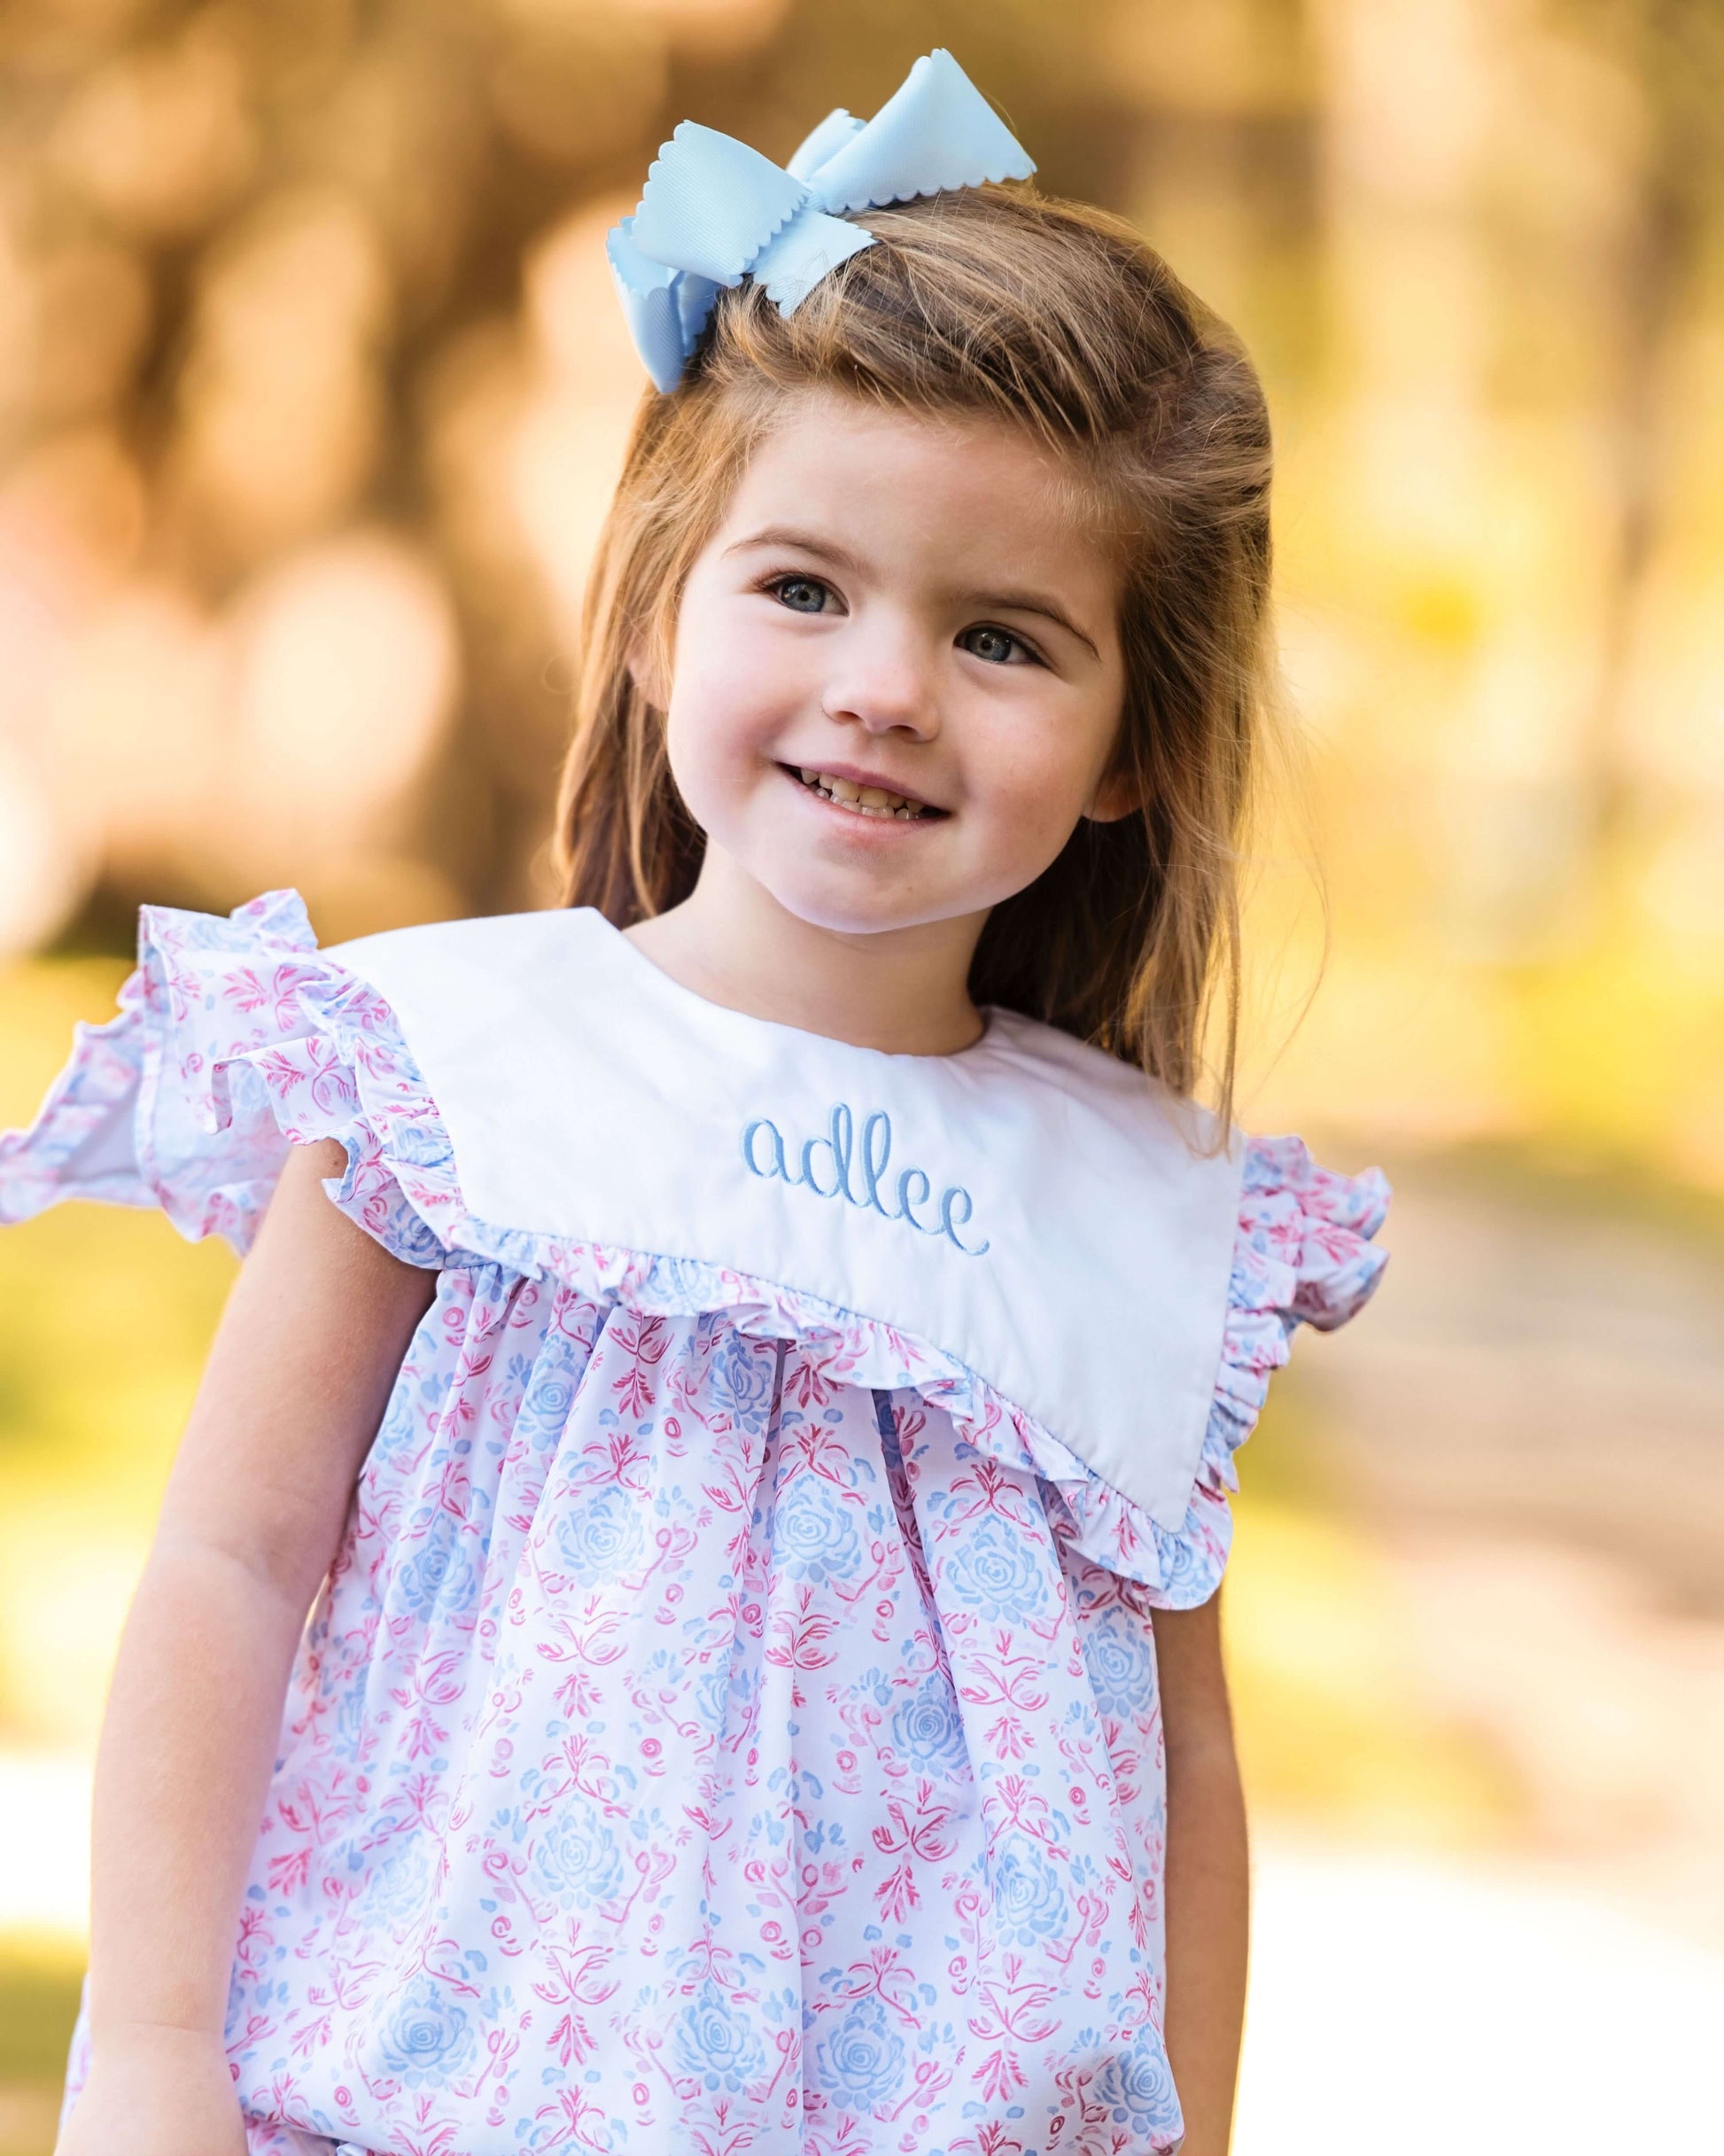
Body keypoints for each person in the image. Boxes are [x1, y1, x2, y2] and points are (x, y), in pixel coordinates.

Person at [0, 51, 1388, 2156]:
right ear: (657, 610)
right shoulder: (454, 1078)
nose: (886, 684)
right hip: (443, 2094)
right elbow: (229, 1557)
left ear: (1130, 743)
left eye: (1003, 635)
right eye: (805, 586)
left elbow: (1184, 1770)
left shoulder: (1136, 1220)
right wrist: (155, 2052)